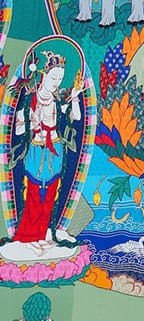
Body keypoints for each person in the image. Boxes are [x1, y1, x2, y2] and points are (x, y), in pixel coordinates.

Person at [10, 49, 83, 248]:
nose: (57, 82)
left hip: (56, 150)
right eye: (54, 77)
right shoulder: (31, 100)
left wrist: (75, 96)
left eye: (60, 78)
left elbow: (75, 117)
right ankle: (28, 237)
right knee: (33, 193)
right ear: (45, 74)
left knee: (51, 193)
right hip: (35, 150)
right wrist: (27, 120)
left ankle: (45, 234)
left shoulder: (58, 101)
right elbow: (18, 128)